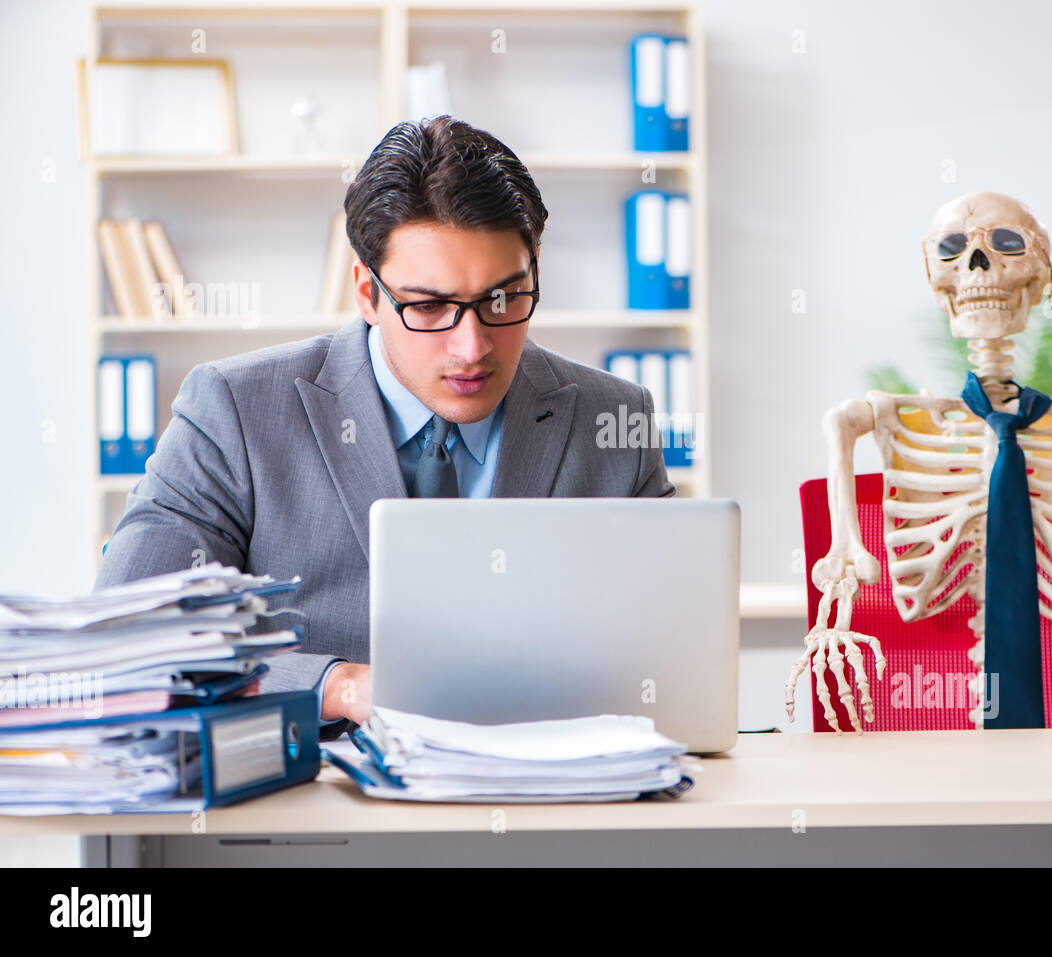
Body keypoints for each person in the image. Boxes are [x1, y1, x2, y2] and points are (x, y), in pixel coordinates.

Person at [95, 116, 675, 739]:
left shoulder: (613, 419)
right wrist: (335, 686)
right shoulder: (235, 412)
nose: (471, 346)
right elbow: (128, 643)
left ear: (535, 274)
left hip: (555, 809)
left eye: (503, 300)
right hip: (316, 816)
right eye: (429, 307)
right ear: (367, 294)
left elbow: (670, 650)